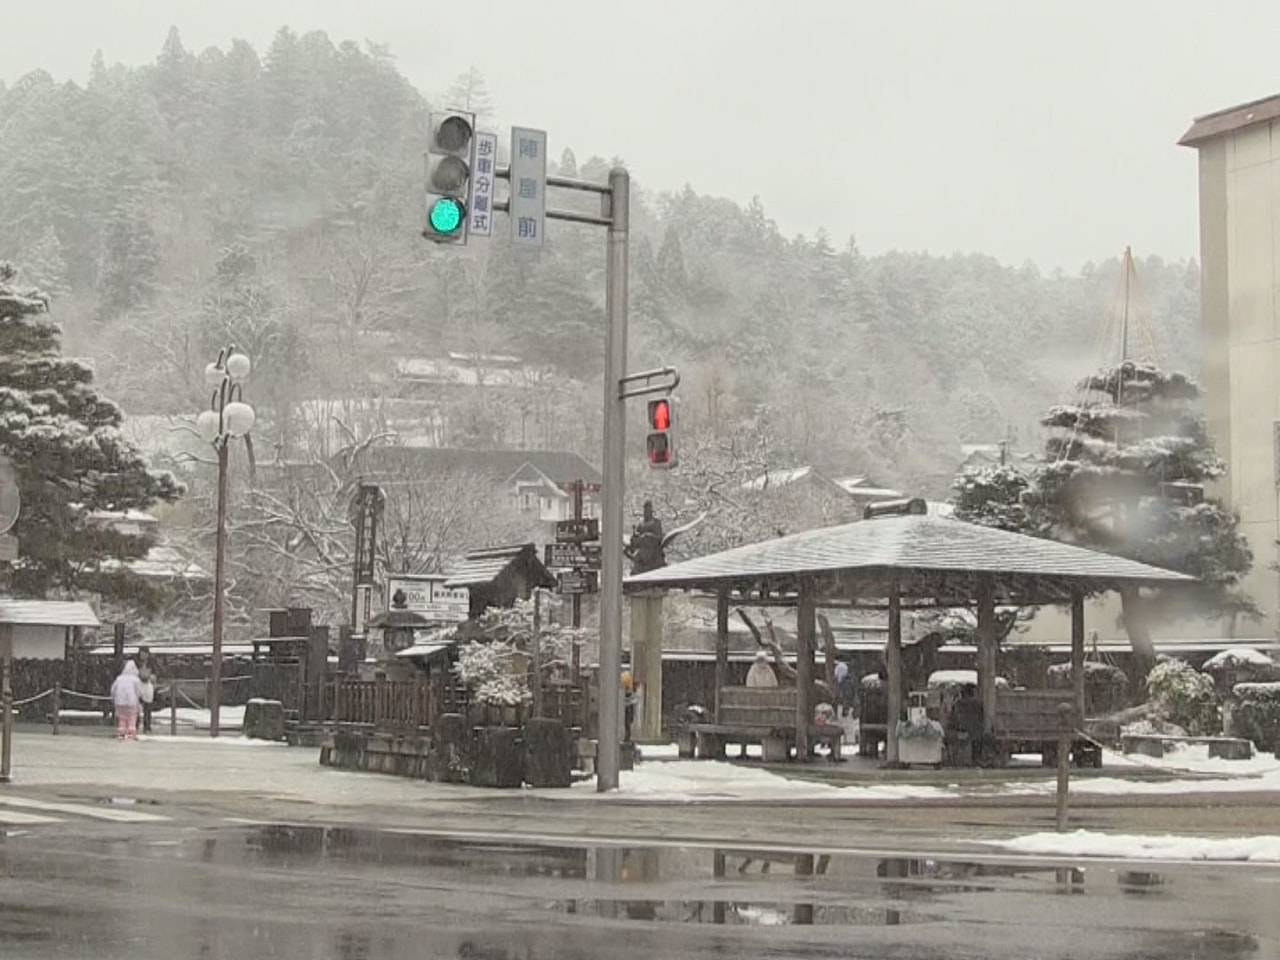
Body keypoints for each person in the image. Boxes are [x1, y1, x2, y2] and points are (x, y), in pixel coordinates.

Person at [110, 661, 146, 741]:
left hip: (119, 702)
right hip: (131, 702)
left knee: (122, 718)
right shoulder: (135, 680)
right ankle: (131, 734)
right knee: (132, 718)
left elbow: (113, 690)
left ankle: (121, 734)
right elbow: (140, 691)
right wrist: (142, 697)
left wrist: (113, 699)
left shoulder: (119, 679)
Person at [136, 646, 157, 734]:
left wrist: (152, 677)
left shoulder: (152, 663)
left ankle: (147, 725)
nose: (143, 655)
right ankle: (135, 724)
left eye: (145, 654)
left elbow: (156, 673)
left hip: (148, 684)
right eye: (141, 654)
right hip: (138, 684)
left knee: (148, 706)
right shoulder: (136, 662)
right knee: (136, 706)